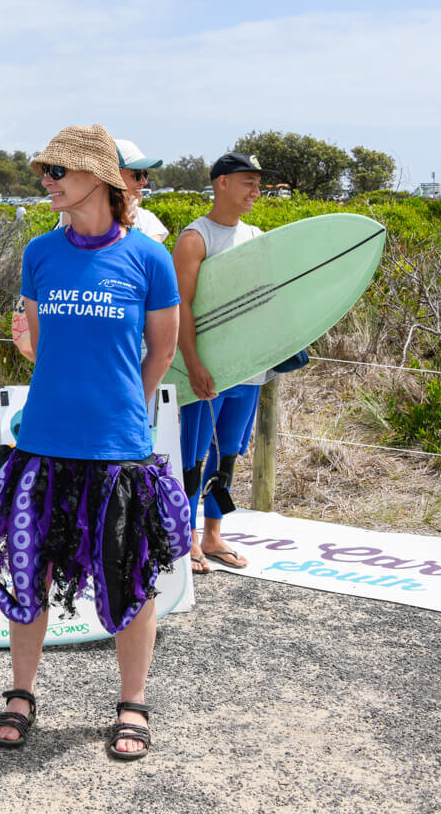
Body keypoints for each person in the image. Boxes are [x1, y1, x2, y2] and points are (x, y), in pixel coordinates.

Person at [0, 123, 188, 760]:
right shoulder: (40, 253)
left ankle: (132, 704)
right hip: (43, 439)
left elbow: (163, 349)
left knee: (131, 579)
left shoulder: (149, 258)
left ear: (97, 179)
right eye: (45, 171)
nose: (46, 182)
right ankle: (22, 694)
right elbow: (37, 342)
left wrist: (125, 402)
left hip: (118, 446)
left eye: (57, 172)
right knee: (29, 569)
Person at [174, 151, 267, 574]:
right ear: (222, 183)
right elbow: (181, 307)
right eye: (247, 181)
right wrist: (193, 363)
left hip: (249, 367)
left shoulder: (257, 236)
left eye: (257, 183)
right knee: (193, 454)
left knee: (227, 452)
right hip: (206, 368)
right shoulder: (196, 239)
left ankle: (213, 535)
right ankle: (187, 539)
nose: (255, 190)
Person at [16, 137, 169, 358]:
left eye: (146, 174)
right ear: (109, 174)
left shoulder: (148, 222)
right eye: (137, 174)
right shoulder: (66, 222)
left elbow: (143, 273)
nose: (144, 181)